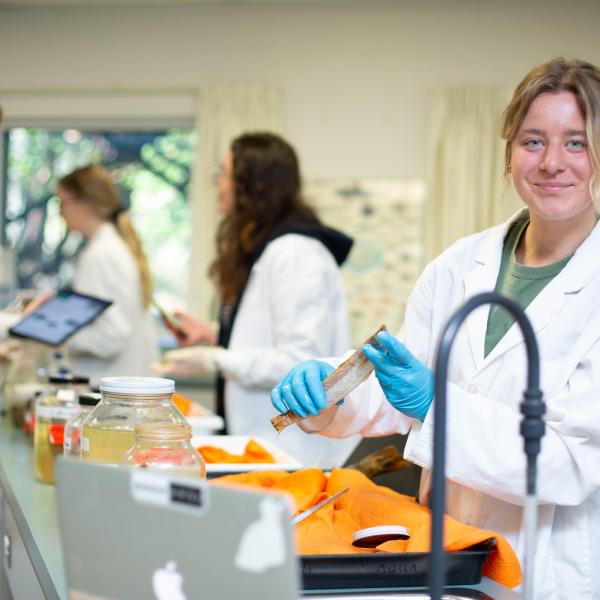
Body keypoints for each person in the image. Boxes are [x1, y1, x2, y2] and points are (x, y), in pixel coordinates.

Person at [271, 57, 600, 599]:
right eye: (533, 141)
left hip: (550, 564)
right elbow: (397, 385)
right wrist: (329, 393)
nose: (551, 163)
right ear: (509, 151)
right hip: (444, 550)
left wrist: (434, 406)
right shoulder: (459, 263)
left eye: (576, 143)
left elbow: (570, 462)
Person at [155, 132, 360, 469]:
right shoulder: (273, 249)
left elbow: (298, 361)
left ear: (255, 184)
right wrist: (212, 334)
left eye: (223, 173)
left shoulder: (295, 253)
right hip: (271, 447)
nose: (218, 183)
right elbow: (267, 334)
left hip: (296, 452)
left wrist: (214, 359)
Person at [55, 165, 158, 383]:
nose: (59, 212)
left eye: (62, 203)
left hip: (112, 388)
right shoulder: (110, 247)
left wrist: (59, 333)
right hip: (122, 385)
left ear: (84, 203)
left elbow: (109, 338)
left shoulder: (101, 255)